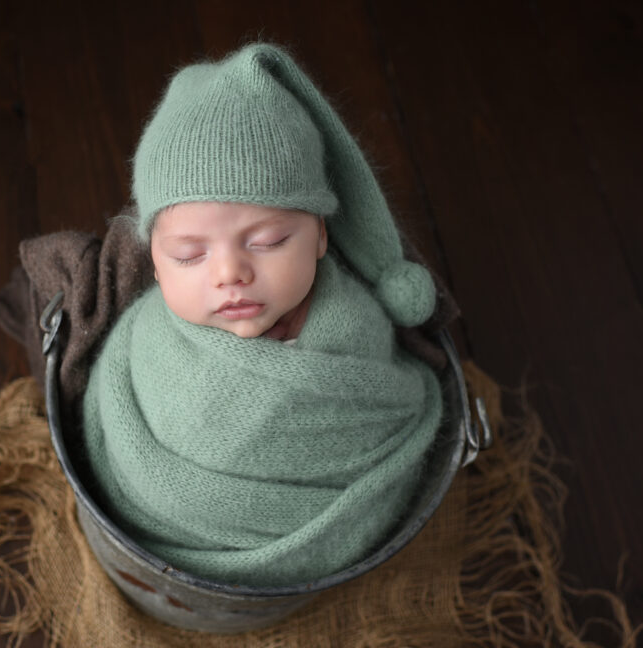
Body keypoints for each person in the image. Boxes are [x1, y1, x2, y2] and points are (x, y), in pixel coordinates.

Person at [81, 43, 447, 587]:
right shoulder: (144, 351)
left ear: (322, 234)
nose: (230, 273)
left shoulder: (357, 331)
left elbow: (387, 413)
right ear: (153, 261)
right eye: (189, 254)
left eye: (271, 241)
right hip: (155, 539)